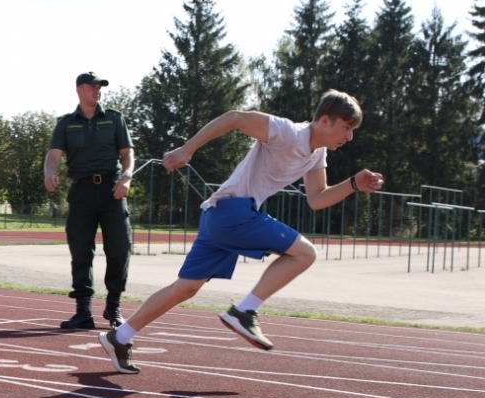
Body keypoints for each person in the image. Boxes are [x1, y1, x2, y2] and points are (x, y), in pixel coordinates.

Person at [99, 90, 383, 374]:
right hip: (234, 213)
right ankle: (245, 311)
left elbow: (317, 198)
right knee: (305, 253)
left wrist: (353, 184)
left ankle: (119, 336)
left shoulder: (317, 154)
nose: (349, 136)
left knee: (185, 288)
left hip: (219, 216)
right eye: (346, 128)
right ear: (325, 121)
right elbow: (236, 118)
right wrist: (188, 148)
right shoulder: (287, 132)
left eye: (352, 130)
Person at [45, 72, 133, 330]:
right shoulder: (65, 123)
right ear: (80, 90)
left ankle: (114, 307)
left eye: (100, 87)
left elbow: (128, 154)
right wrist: (49, 172)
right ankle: (83, 312)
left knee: (119, 248)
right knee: (81, 251)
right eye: (92, 87)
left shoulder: (115, 119)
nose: (98, 91)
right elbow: (53, 155)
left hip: (112, 190)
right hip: (81, 192)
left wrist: (126, 177)